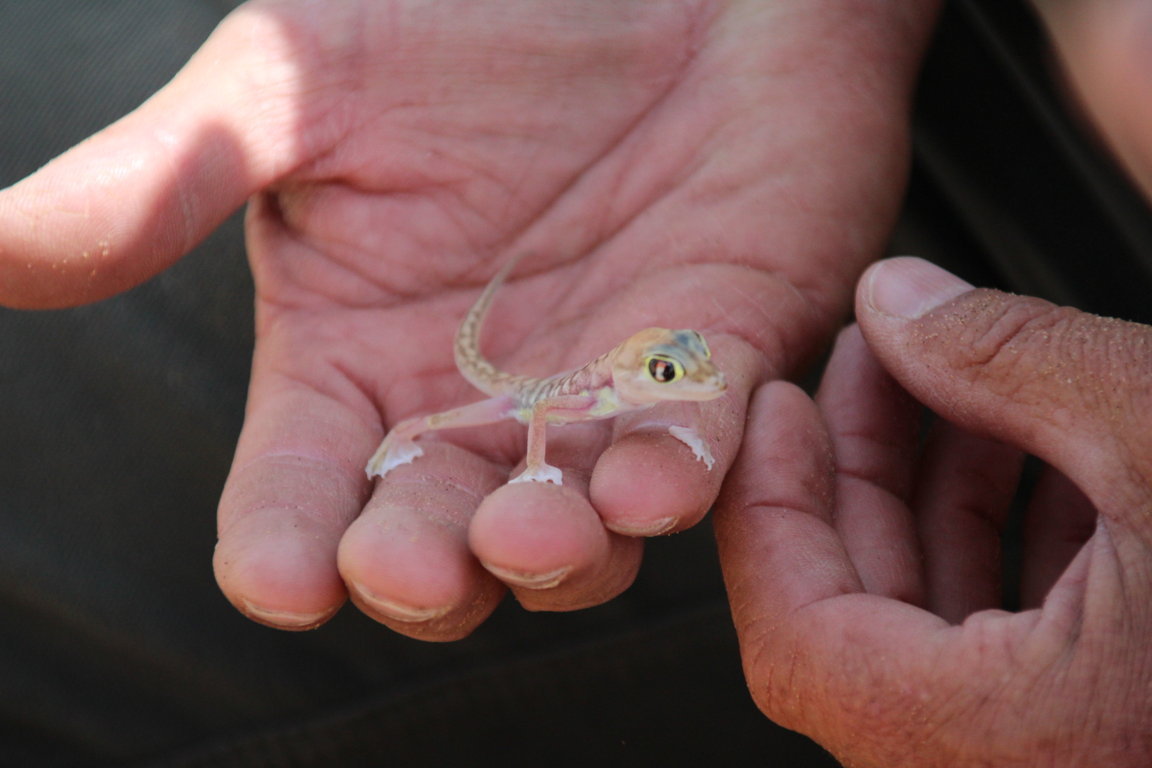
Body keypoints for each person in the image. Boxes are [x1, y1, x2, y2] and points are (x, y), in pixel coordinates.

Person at [0, 0, 1150, 765]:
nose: (680, 381)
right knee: (457, 416)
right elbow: (550, 417)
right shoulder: (587, 395)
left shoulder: (636, 389)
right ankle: (408, 446)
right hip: (972, 87)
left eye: (676, 374)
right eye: (671, 372)